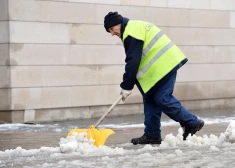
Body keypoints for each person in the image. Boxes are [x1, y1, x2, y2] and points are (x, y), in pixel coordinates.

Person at [104, 11, 204, 145]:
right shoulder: (133, 27)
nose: (112, 33)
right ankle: (152, 135)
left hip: (164, 65)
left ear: (118, 23)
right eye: (109, 31)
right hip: (158, 68)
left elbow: (133, 61)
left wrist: (126, 85)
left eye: (112, 29)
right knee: (150, 99)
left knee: (162, 98)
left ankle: (192, 122)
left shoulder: (131, 31)